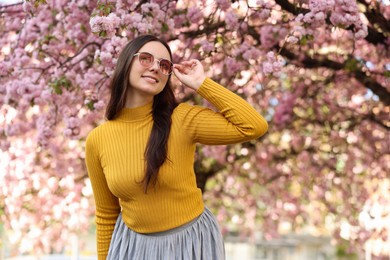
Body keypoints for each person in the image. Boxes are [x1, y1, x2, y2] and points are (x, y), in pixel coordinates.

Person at [85, 34, 268, 260]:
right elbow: (106, 214)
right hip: (132, 247)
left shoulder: (182, 118)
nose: (155, 68)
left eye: (164, 65)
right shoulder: (98, 139)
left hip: (190, 244)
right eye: (145, 59)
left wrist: (202, 84)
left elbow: (253, 126)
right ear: (126, 63)